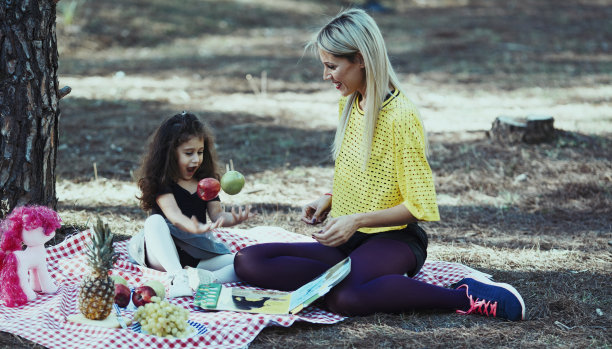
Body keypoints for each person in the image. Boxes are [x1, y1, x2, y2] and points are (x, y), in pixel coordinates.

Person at [234, 8, 525, 320]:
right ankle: (365, 282)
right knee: (249, 261)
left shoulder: (401, 116)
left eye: (332, 66)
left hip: (395, 239)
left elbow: (419, 207)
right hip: (350, 241)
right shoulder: (348, 103)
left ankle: (462, 296)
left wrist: (356, 220)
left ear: (360, 59)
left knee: (345, 298)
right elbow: (365, 175)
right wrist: (330, 200)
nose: (325, 75)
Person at [128, 112, 254, 297]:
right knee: (154, 222)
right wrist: (193, 227)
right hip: (162, 252)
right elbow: (175, 216)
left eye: (200, 152)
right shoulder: (163, 183)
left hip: (194, 252)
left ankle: (205, 279)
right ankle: (178, 277)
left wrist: (233, 218)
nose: (196, 159)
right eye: (189, 153)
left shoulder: (206, 182)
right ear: (170, 153)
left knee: (241, 261)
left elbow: (217, 215)